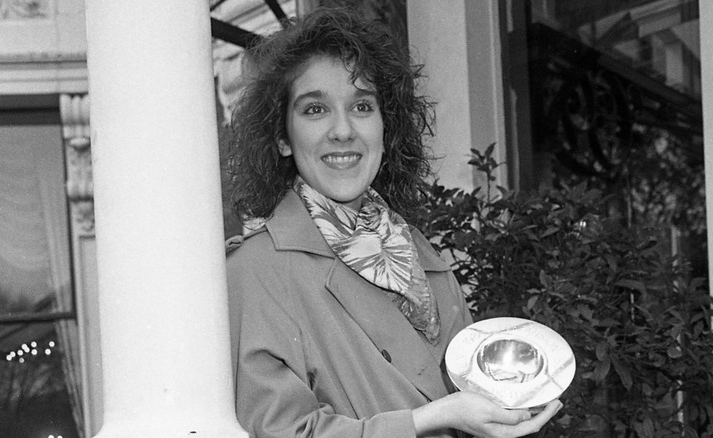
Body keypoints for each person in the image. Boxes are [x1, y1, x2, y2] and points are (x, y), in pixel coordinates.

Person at [225, 7, 562, 438]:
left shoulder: (416, 251)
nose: (343, 130)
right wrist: (429, 420)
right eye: (315, 110)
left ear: (387, 126)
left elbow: (470, 396)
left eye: (362, 106)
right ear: (281, 137)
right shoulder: (254, 271)